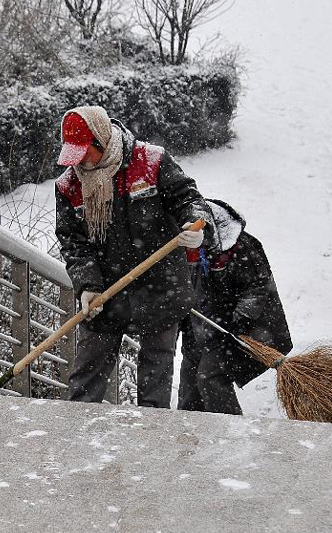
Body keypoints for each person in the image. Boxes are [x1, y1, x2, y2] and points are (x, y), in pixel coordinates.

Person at [54, 105, 213, 408]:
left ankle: (150, 443)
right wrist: (87, 284)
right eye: (72, 155)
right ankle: (74, 440)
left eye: (84, 152)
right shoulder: (68, 185)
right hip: (106, 292)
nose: (79, 163)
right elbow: (73, 241)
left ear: (101, 141)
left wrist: (195, 224)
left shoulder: (150, 162)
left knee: (156, 381)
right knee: (86, 379)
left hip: (161, 287)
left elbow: (189, 198)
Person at [177, 199, 292, 415]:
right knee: (190, 385)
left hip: (237, 332)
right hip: (199, 329)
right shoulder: (181, 245)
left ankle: (230, 433)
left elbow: (257, 288)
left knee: (210, 377)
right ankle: (190, 434)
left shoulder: (242, 247)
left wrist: (237, 323)